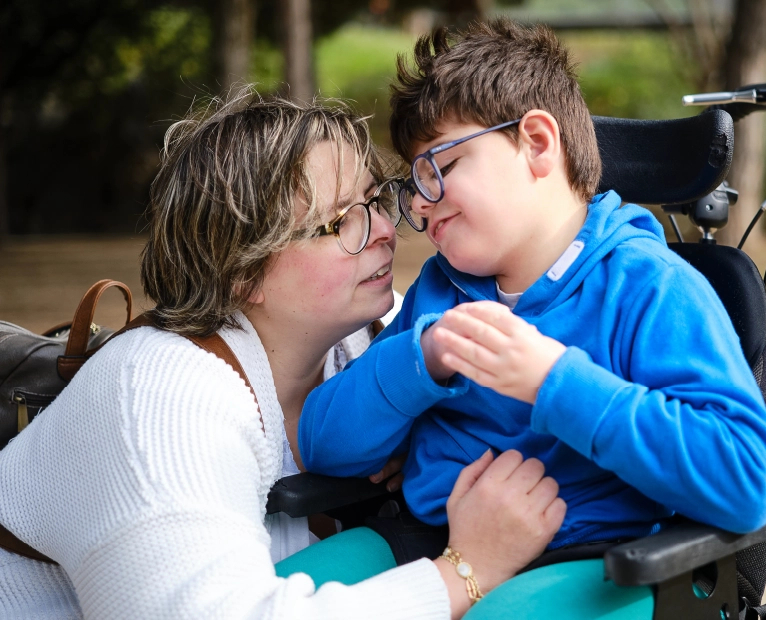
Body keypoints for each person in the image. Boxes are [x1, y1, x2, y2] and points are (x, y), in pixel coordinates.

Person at [0, 90, 566, 619]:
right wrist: (468, 569)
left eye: (374, 200)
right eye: (338, 220)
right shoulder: (160, 397)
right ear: (245, 272)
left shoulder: (368, 330)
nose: (384, 232)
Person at [298, 17, 766, 574]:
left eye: (441, 167)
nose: (421, 205)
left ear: (537, 143)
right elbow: (323, 448)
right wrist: (419, 363)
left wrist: (554, 380)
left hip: (587, 565)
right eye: (414, 184)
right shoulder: (438, 294)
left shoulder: (648, 289)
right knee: (290, 592)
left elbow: (747, 481)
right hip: (430, 542)